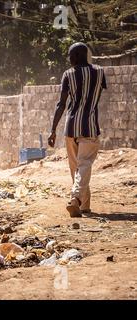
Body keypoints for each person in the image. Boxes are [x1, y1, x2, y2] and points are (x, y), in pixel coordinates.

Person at [48, 42, 107, 217]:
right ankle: (80, 202)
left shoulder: (68, 74)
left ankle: (79, 202)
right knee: (84, 165)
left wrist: (53, 130)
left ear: (79, 56)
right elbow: (96, 94)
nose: (69, 59)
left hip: (71, 127)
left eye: (71, 55)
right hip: (89, 127)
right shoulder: (99, 72)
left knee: (78, 168)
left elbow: (61, 104)